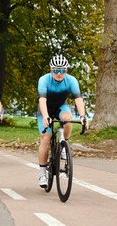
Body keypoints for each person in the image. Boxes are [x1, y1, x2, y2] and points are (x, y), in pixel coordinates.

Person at [37, 54, 88, 188]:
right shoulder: (44, 80)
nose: (59, 74)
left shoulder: (71, 81)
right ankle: (42, 173)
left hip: (60, 106)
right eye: (56, 71)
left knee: (68, 119)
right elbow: (42, 100)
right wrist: (46, 116)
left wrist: (83, 116)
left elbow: (78, 99)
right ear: (51, 69)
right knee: (46, 138)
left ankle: (64, 143)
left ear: (66, 70)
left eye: (62, 71)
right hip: (45, 109)